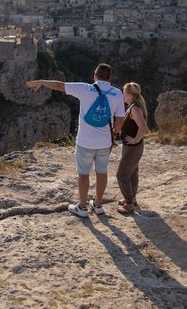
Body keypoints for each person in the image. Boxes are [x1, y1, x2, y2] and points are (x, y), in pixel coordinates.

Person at [27, 63, 125, 217]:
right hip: (105, 141)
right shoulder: (117, 93)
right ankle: (98, 205)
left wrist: (42, 81)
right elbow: (120, 120)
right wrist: (114, 134)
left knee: (83, 174)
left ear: (95, 75)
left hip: (85, 141)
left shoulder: (85, 88)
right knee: (102, 172)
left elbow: (60, 86)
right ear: (109, 78)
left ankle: (82, 207)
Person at [116, 82, 149, 215]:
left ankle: (129, 204)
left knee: (121, 175)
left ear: (130, 94)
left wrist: (136, 139)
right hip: (131, 146)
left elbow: (144, 128)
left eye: (124, 93)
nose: (123, 95)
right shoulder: (132, 106)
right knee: (133, 172)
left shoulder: (135, 109)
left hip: (133, 147)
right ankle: (132, 198)